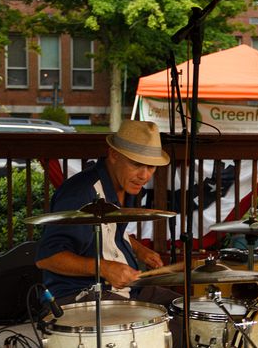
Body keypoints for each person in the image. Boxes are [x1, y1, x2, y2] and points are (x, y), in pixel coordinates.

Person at [35, 119, 177, 306]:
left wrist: (139, 249)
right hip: (80, 296)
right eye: (136, 164)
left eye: (150, 167)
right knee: (164, 324)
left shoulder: (126, 184)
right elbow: (47, 258)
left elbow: (108, 230)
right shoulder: (80, 194)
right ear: (113, 154)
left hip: (126, 289)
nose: (144, 176)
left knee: (183, 309)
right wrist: (103, 268)